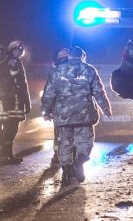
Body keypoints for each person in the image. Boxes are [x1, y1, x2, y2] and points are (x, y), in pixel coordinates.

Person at [41, 45, 112, 184]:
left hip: (63, 116)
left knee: (65, 145)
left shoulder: (57, 71)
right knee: (85, 143)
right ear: (83, 57)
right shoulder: (89, 70)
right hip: (84, 116)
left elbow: (49, 93)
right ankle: (79, 162)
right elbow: (98, 92)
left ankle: (66, 173)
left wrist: (46, 110)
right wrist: (106, 108)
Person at [2, 39, 32, 163]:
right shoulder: (10, 62)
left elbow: (23, 85)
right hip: (11, 102)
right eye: (16, 50)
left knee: (12, 129)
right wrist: (12, 65)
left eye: (20, 50)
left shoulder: (18, 62)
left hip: (17, 101)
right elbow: (13, 79)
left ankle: (8, 154)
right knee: (10, 129)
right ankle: (6, 155)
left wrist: (27, 103)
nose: (18, 52)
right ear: (11, 51)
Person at [43, 48, 70, 167]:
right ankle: (68, 158)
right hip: (74, 110)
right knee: (70, 134)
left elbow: (48, 93)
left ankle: (57, 156)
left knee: (59, 134)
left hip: (58, 110)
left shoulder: (54, 73)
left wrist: (46, 110)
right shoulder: (77, 70)